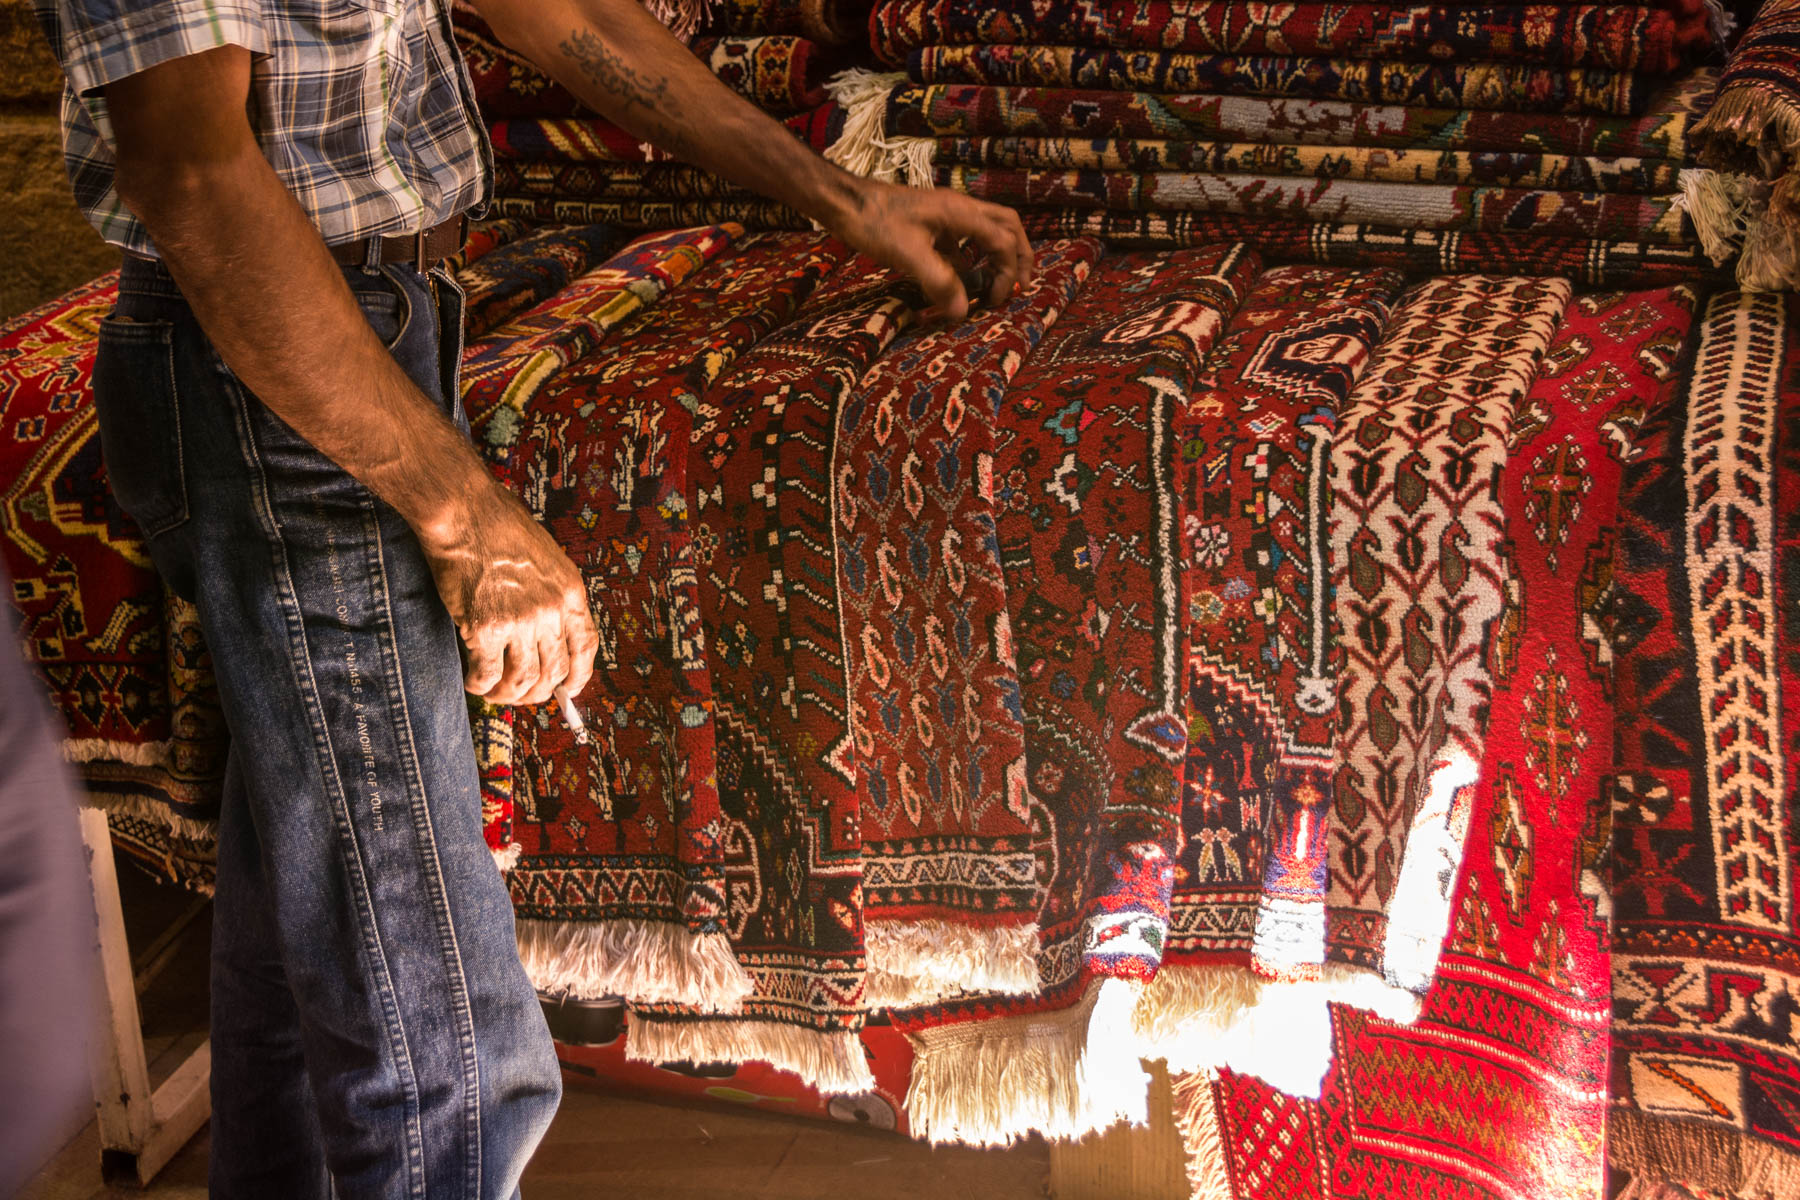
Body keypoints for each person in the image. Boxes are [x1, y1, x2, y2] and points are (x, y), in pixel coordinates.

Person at [29, 0, 1036, 1194]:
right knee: (438, 1025)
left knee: (315, 954)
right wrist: (465, 512)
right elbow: (192, 173)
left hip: (366, 334)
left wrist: (843, 196)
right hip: (281, 378)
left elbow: (563, 11)